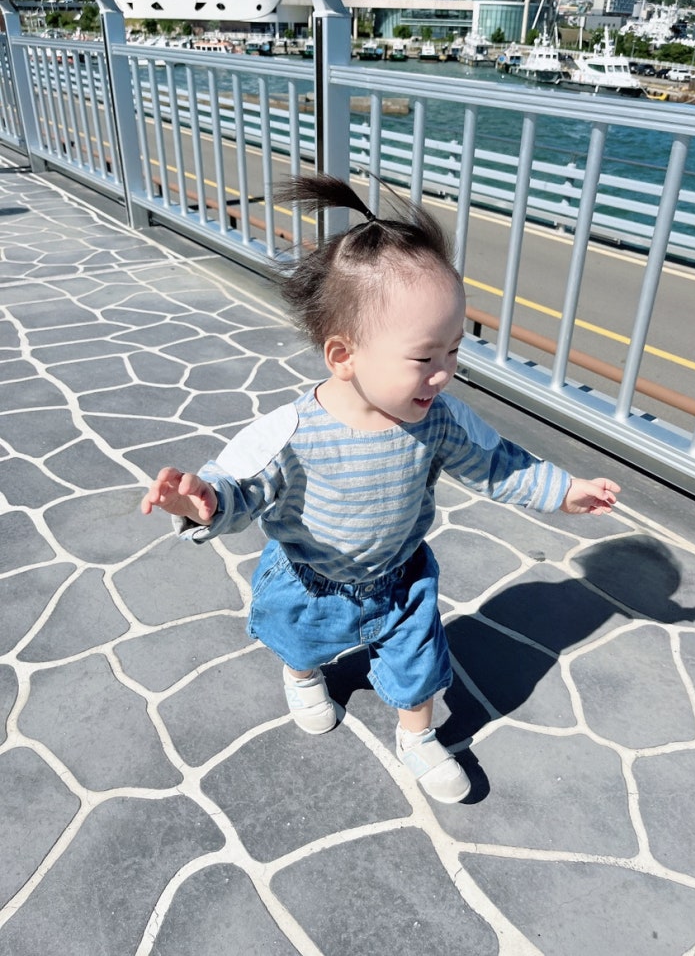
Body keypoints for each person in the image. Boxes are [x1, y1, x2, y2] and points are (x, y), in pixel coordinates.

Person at [141, 174, 620, 804]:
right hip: (311, 577)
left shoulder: (439, 420)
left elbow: (496, 462)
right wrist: (203, 502)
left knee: (420, 663)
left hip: (400, 579)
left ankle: (417, 736)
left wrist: (563, 490)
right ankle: (303, 676)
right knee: (300, 639)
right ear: (344, 355)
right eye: (424, 358)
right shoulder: (291, 432)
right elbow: (241, 484)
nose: (444, 375)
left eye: (454, 351)